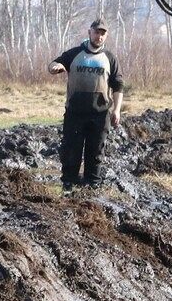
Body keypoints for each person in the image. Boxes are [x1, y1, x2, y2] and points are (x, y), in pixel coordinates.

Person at [49, 20, 124, 190]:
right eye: (97, 32)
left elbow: (118, 86)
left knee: (96, 152)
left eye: (103, 33)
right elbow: (53, 64)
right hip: (75, 112)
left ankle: (92, 187)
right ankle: (68, 185)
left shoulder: (110, 58)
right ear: (89, 32)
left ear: (106, 35)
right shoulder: (75, 54)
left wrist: (117, 110)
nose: (99, 36)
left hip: (100, 114)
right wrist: (57, 66)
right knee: (71, 150)